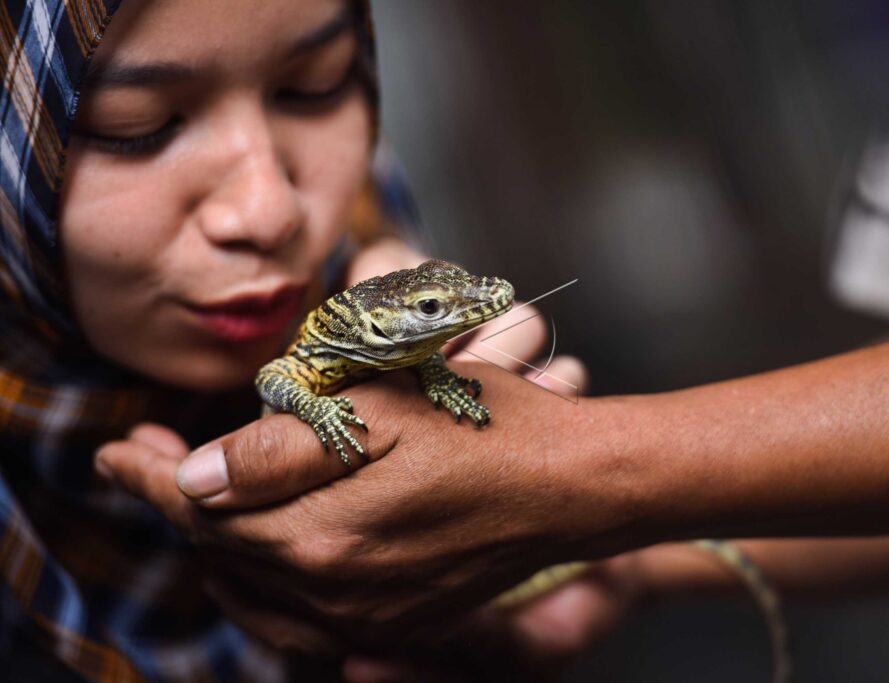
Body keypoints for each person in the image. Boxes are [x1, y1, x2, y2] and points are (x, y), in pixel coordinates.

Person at [0, 0, 583, 679]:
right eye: (139, 127)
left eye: (317, 85)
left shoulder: (377, 258)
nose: (270, 213)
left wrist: (578, 504)